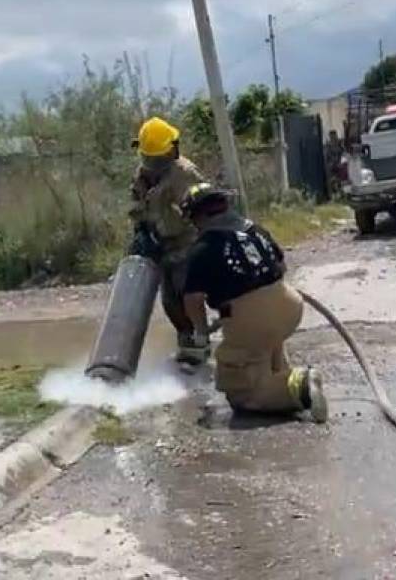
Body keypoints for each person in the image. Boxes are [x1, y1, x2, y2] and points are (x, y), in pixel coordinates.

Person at [179, 183, 328, 422]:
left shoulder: (204, 247)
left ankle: (302, 387)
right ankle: (281, 376)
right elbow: (281, 266)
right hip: (289, 305)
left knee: (241, 393)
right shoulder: (255, 230)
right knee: (267, 343)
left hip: (254, 321)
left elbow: (192, 299)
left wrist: (201, 331)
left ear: (198, 215)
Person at [128, 117, 206, 367]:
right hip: (160, 245)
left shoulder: (184, 174)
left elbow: (205, 207)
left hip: (187, 243)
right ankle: (186, 341)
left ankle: (200, 342)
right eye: (149, 159)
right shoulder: (141, 176)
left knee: (189, 293)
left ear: (172, 150)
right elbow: (136, 206)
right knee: (170, 299)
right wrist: (141, 231)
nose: (152, 164)